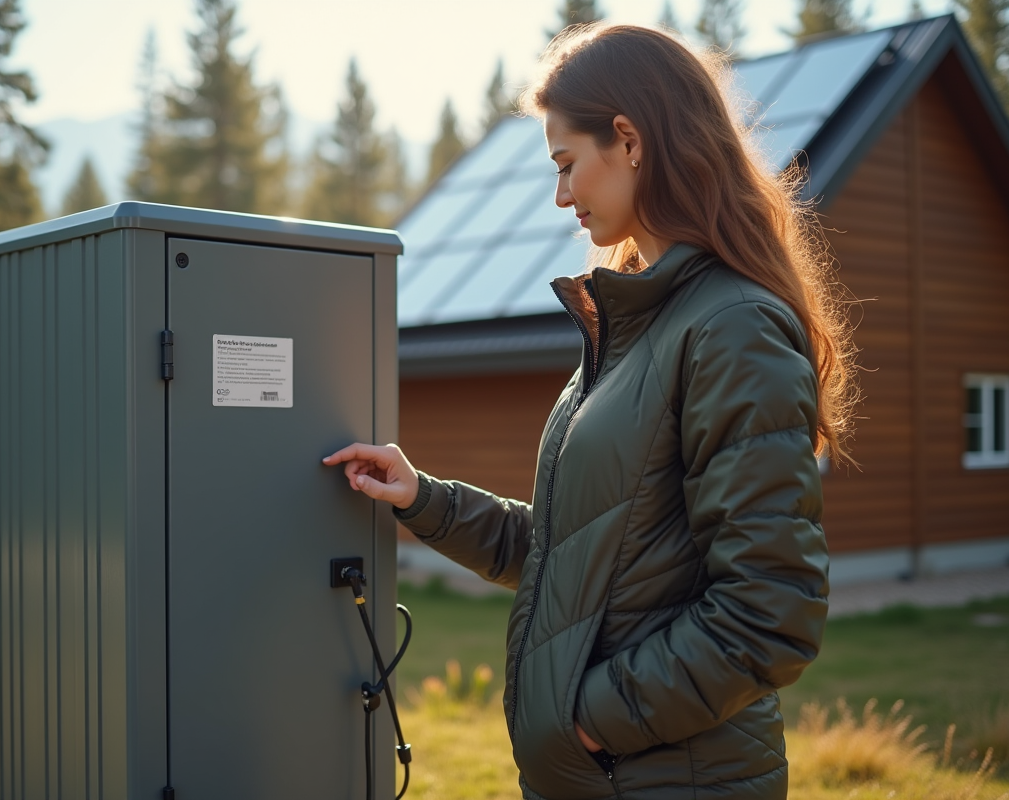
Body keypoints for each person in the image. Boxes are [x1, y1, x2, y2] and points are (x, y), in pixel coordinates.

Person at [324, 22, 857, 800]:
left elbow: (770, 613)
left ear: (631, 140)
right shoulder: (643, 323)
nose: (560, 194)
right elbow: (567, 556)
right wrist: (422, 497)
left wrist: (588, 722)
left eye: (567, 164)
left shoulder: (731, 325)